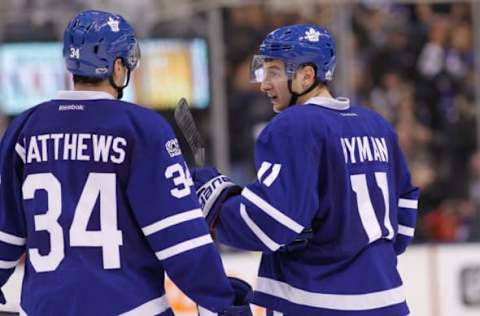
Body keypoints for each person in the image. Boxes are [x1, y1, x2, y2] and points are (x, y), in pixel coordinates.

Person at [0, 10, 252, 316]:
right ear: (118, 67)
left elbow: (6, 232)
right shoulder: (142, 128)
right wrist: (223, 299)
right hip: (130, 307)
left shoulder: (25, 128)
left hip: (41, 308)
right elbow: (180, 239)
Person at [192, 24, 419, 316]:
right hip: (388, 300)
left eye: (274, 72)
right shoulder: (377, 125)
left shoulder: (294, 125)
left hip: (316, 302)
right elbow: (404, 211)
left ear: (306, 76)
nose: (264, 84)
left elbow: (271, 224)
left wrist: (215, 199)